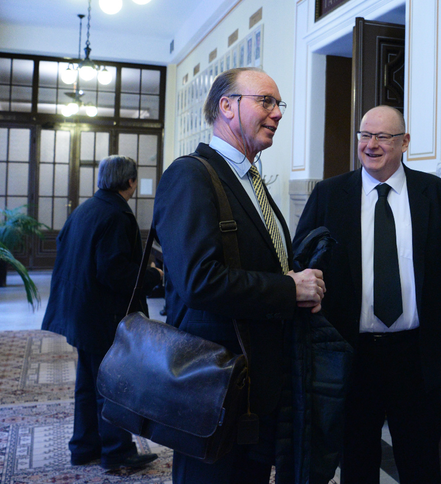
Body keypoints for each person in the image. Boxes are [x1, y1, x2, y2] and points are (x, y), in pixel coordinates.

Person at [153, 67, 325, 484]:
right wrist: (288, 288)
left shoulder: (249, 179)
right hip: (212, 387)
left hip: (255, 385)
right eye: (265, 101)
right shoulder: (191, 174)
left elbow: (253, 263)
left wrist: (297, 280)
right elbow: (199, 281)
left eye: (278, 104)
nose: (277, 113)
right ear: (227, 106)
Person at [293, 105, 441, 483]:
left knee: (420, 460)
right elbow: (301, 261)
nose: (371, 145)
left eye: (383, 137)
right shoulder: (330, 194)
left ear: (404, 142)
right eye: (365, 135)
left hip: (415, 353)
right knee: (356, 459)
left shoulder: (435, 194)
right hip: (352, 353)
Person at [42, 155, 161, 470]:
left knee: (88, 382)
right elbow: (114, 272)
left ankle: (84, 446)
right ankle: (117, 452)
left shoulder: (86, 209)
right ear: (131, 181)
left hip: (81, 311)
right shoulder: (117, 215)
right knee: (112, 383)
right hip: (103, 315)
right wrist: (153, 276)